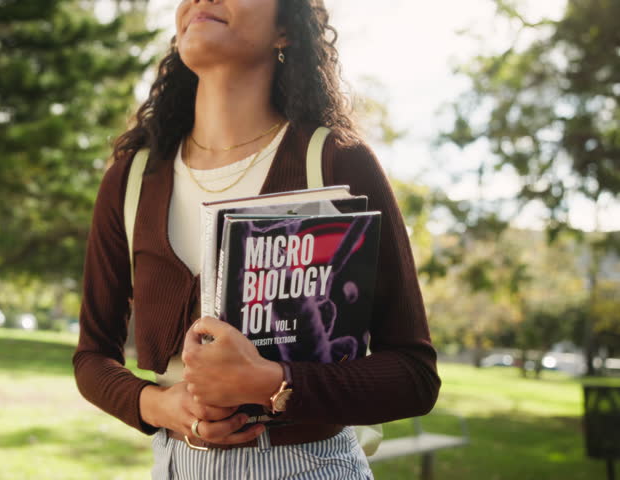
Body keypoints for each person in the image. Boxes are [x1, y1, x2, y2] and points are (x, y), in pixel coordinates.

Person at [72, 0, 440, 478]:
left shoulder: (335, 162)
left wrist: (273, 383)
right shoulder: (132, 179)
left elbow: (414, 375)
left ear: (285, 29)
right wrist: (159, 406)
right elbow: (91, 357)